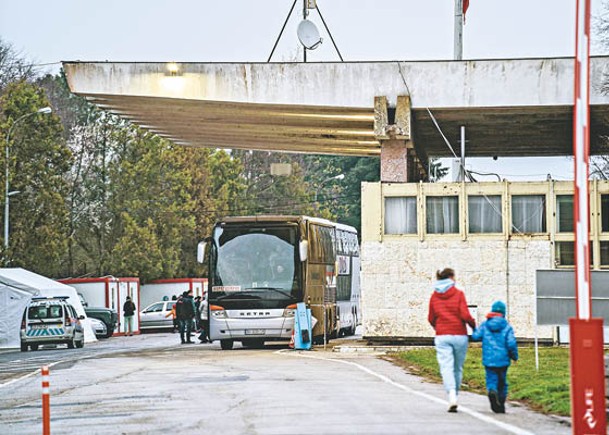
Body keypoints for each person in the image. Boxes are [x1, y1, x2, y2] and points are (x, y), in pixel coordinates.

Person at [428, 268, 476, 413]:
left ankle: (452, 396)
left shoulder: (434, 297)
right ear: (450, 277)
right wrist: (474, 327)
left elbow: (431, 318)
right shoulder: (459, 294)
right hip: (460, 335)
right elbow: (465, 315)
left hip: (442, 336)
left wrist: (439, 327)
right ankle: (456, 393)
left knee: (446, 367)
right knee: (457, 367)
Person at [471, 301, 519, 414]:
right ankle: (501, 403)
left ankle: (492, 391)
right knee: (502, 382)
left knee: (491, 379)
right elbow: (511, 343)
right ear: (503, 313)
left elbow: (476, 336)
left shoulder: (485, 325)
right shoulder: (507, 326)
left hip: (489, 359)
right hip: (503, 360)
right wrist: (514, 356)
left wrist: (473, 328)